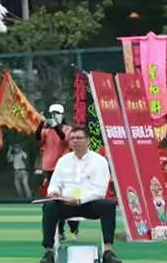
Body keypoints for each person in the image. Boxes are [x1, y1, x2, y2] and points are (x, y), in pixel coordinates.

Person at [39, 127, 121, 263]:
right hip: (65, 203)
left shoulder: (99, 161)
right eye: (72, 138)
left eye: (79, 138)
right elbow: (55, 183)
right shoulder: (63, 161)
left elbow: (100, 190)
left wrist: (80, 199)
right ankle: (48, 252)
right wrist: (53, 192)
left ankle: (108, 250)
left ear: (88, 141)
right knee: (49, 206)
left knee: (107, 205)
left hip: (89, 204)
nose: (75, 141)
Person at [36, 104, 76, 239]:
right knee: (53, 200)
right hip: (50, 168)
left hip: (65, 168)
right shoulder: (46, 130)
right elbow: (37, 138)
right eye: (52, 113)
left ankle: (73, 228)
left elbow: (64, 140)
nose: (55, 116)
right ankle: (59, 231)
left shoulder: (68, 129)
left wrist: (55, 127)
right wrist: (41, 124)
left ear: (63, 115)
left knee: (68, 198)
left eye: (57, 113)